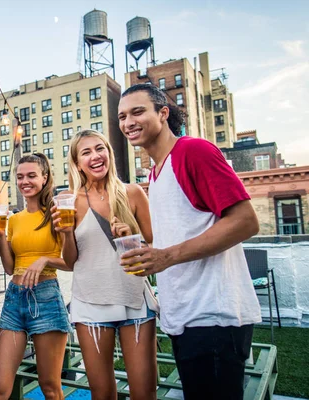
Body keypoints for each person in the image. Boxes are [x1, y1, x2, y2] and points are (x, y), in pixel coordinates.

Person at [118, 84, 261, 399]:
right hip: (185, 318)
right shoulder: (156, 173)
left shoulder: (193, 151)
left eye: (138, 111)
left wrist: (166, 257)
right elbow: (180, 233)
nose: (128, 122)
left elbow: (246, 221)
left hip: (213, 318)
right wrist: (147, 251)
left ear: (164, 113)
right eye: (122, 116)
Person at [53, 129, 156, 400]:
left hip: (134, 300)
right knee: (102, 393)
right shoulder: (69, 201)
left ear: (109, 153)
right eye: (86, 152)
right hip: (89, 304)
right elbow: (70, 261)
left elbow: (155, 249)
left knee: (144, 392)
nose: (95, 156)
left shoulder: (132, 193)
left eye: (100, 149)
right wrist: (65, 233)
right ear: (76, 163)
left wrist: (129, 239)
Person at [0, 153, 71, 400]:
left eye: (32, 175)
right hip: (14, 301)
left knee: (50, 387)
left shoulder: (57, 213)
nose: (25, 181)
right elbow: (10, 268)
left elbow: (71, 261)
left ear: (45, 178)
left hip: (46, 299)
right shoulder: (14, 220)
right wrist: (0, 237)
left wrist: (45, 259)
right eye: (20, 176)